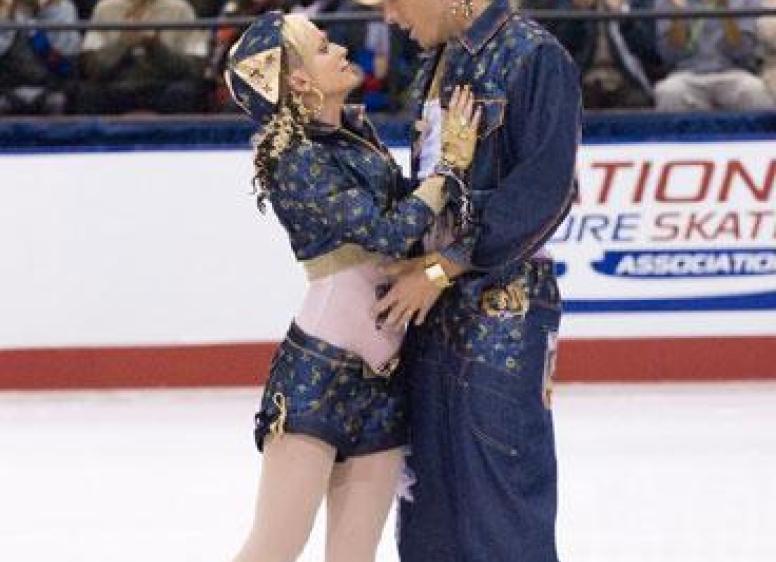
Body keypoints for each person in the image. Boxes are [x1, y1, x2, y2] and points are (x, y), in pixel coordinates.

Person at [224, 12, 481, 562]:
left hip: (385, 379)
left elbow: (411, 223)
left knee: (355, 555)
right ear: (298, 80)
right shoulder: (296, 158)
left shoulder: (355, 137)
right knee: (273, 549)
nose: (341, 49)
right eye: (322, 48)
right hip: (319, 374)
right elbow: (388, 231)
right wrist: (448, 170)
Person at [358, 0, 581, 560]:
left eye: (391, 2)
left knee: (501, 513)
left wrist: (441, 267)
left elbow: (546, 192)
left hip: (501, 318)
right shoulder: (439, 59)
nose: (390, 18)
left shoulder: (534, 56)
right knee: (429, 515)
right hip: (429, 313)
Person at [77, 0, 209, 114]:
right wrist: (123, 44)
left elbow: (195, 69)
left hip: (163, 85)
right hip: (117, 86)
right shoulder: (105, 8)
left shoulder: (180, 9)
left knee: (184, 92)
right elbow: (91, 68)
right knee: (87, 93)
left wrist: (155, 46)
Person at [654, 0, 773, 110]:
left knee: (754, 90)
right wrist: (678, 13)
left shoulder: (744, 2)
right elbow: (670, 56)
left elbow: (742, 53)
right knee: (669, 92)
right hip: (685, 73)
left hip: (733, 71)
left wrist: (725, 10)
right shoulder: (668, 2)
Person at [0, 0, 80, 114]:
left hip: (51, 86)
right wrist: (7, 17)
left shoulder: (63, 8)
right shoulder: (6, 9)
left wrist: (50, 10)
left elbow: (66, 63)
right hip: (8, 86)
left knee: (57, 101)